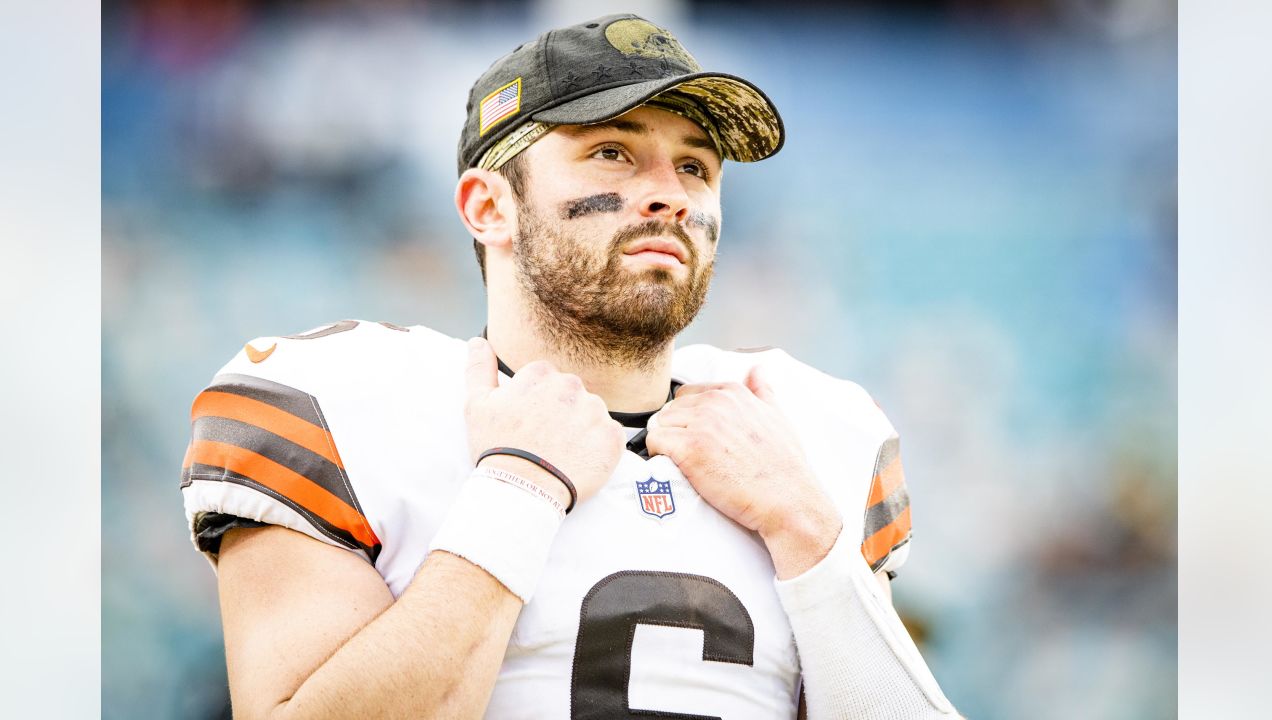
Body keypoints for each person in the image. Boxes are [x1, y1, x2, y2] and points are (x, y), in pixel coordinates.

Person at [179, 13, 962, 719]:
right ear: (489, 207)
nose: (670, 196)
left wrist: (808, 531)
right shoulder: (344, 400)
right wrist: (516, 492)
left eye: (695, 166)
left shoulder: (806, 433)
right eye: (613, 153)